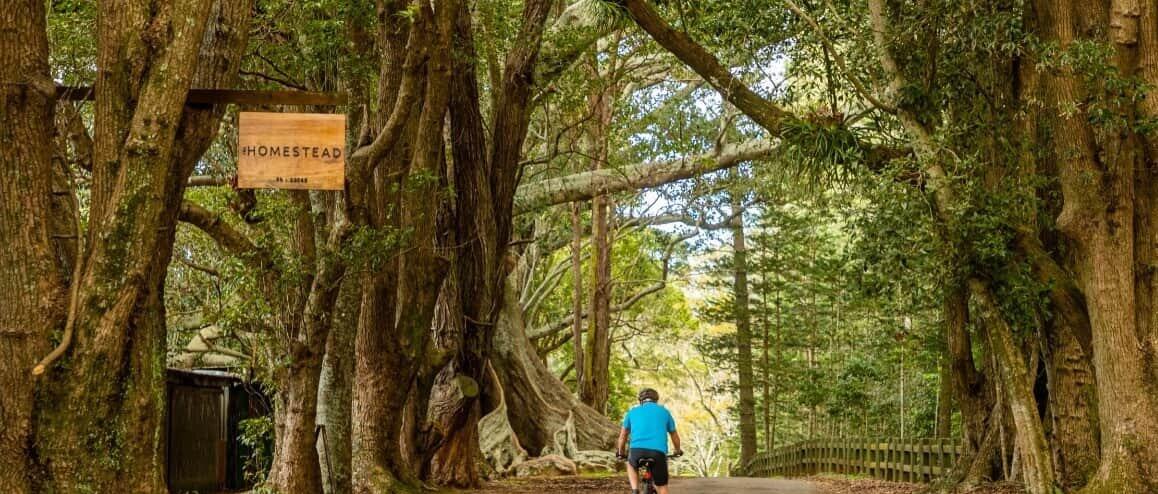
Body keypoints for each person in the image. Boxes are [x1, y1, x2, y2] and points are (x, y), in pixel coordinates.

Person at [616, 388, 682, 494]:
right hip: (658, 452)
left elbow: (623, 436)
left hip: (636, 451)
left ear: (640, 400)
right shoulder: (664, 412)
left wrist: (621, 452)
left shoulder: (632, 412)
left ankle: (635, 490)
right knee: (662, 487)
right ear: (656, 400)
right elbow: (674, 435)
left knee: (630, 463)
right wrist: (677, 450)